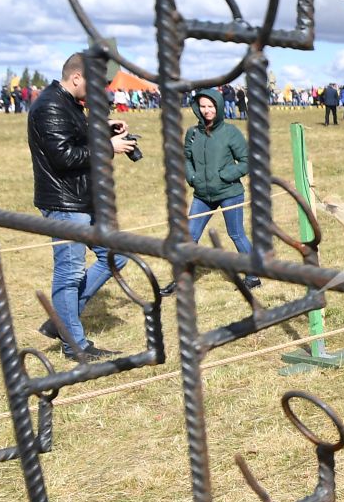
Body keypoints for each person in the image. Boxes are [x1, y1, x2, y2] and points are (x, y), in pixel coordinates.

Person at [28, 52, 137, 361]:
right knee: (70, 272)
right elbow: (63, 157)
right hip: (65, 203)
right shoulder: (49, 106)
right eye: (96, 84)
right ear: (76, 78)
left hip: (83, 199)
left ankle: (61, 320)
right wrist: (108, 147)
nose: (100, 91)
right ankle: (74, 344)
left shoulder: (68, 103)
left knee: (117, 256)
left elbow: (74, 137)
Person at [159, 90, 261, 297]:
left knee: (236, 234)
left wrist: (225, 175)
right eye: (203, 106)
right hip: (202, 195)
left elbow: (247, 161)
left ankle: (253, 277)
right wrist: (192, 177)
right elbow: (186, 157)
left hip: (229, 191)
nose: (207, 110)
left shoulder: (230, 132)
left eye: (211, 106)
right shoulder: (193, 133)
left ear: (220, 107)